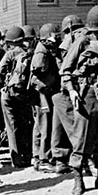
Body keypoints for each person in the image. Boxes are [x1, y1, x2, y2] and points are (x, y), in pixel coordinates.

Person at [59, 5, 98, 195]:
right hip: (87, 94)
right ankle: (78, 180)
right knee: (82, 137)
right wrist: (72, 91)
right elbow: (65, 71)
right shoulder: (82, 41)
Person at [50, 15, 86, 174]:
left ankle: (60, 159)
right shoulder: (79, 38)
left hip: (66, 88)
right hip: (74, 88)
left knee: (60, 126)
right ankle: (81, 160)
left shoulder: (68, 40)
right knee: (75, 126)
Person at [0, 26, 34, 167]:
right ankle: (27, 156)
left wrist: (0, 85)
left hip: (8, 93)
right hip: (23, 94)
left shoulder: (10, 54)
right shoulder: (27, 53)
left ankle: (16, 159)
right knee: (24, 124)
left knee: (11, 126)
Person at [30, 23, 61, 171]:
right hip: (43, 93)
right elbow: (38, 74)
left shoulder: (43, 49)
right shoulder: (41, 52)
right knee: (45, 125)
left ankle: (38, 156)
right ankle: (44, 159)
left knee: (40, 125)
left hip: (42, 92)